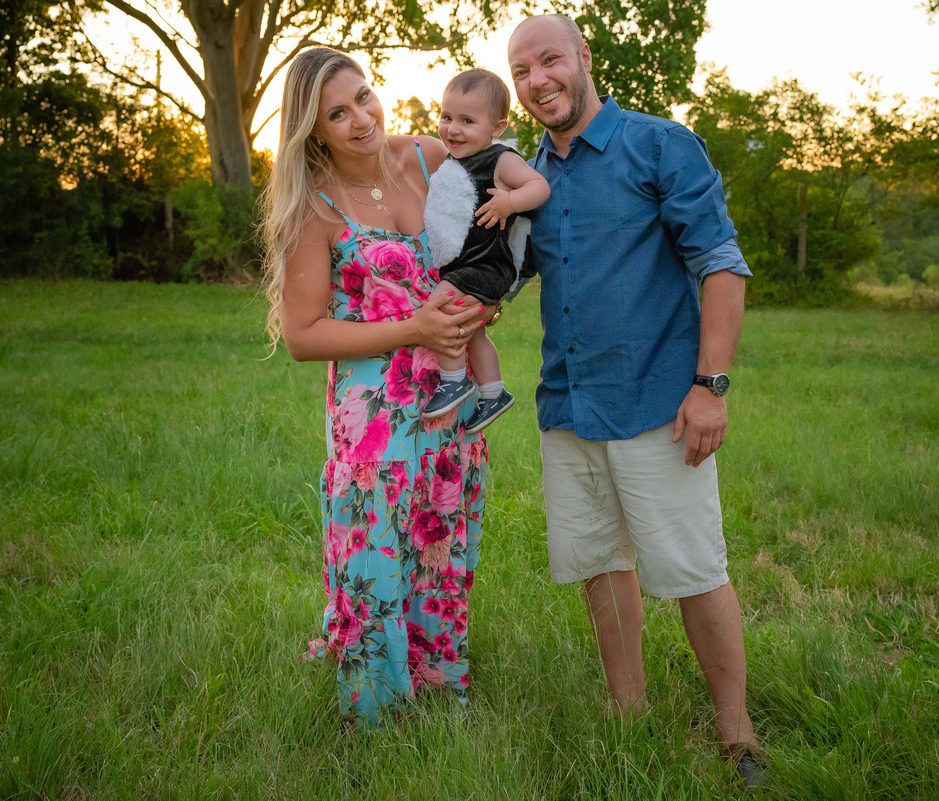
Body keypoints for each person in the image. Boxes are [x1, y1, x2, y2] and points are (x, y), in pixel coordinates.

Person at [507, 14, 767, 790]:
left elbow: (721, 263)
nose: (537, 80)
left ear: (584, 58)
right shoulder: (525, 176)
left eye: (550, 60)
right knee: (600, 565)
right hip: (569, 406)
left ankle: (737, 732)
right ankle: (629, 712)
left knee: (692, 568)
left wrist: (710, 386)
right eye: (522, 71)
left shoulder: (658, 144)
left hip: (660, 401)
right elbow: (503, 276)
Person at [261, 47, 492, 727]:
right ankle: (378, 705)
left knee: (442, 534)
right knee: (377, 548)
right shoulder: (316, 206)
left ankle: (439, 681)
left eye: (363, 96)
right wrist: (410, 329)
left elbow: (494, 238)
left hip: (451, 394)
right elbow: (304, 334)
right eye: (338, 111)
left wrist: (489, 295)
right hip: (375, 413)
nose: (362, 118)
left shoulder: (428, 158)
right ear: (314, 128)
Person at [420, 68, 551, 433]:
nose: (453, 129)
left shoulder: (499, 159)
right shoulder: (451, 160)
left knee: (440, 309)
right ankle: (493, 393)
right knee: (473, 331)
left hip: (487, 264)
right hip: (466, 265)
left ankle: (454, 379)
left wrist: (509, 201)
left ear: (496, 128)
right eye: (446, 117)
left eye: (467, 121)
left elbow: (540, 187)